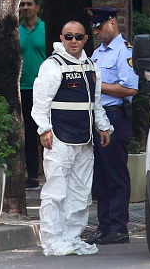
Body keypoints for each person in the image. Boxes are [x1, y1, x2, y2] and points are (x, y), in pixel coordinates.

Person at [31, 21, 113, 256]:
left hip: (85, 139)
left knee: (80, 193)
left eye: (78, 37)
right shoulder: (52, 65)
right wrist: (44, 129)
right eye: (69, 37)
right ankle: (52, 241)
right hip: (60, 137)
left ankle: (71, 237)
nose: (74, 41)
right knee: (55, 192)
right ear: (62, 37)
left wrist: (103, 126)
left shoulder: (90, 65)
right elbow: (40, 102)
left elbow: (95, 103)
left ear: (86, 39)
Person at [84, 7, 139, 245]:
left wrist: (98, 84)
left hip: (115, 116)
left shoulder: (124, 51)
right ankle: (104, 226)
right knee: (101, 176)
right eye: (93, 27)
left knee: (116, 174)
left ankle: (119, 227)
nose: (96, 31)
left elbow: (130, 89)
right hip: (97, 116)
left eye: (99, 26)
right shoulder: (97, 53)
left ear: (113, 24)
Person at [18, 0, 46, 191]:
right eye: (22, 5)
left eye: (29, 4)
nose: (25, 7)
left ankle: (51, 174)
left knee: (46, 131)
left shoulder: (46, 29)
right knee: (28, 133)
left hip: (44, 89)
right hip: (23, 88)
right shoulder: (15, 31)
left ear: (37, 7)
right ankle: (33, 176)